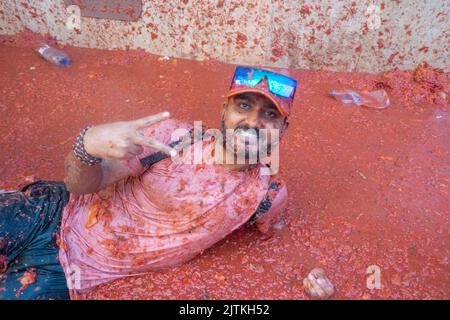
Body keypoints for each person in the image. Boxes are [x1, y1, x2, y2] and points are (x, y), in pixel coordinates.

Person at [0, 66, 297, 299]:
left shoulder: (266, 195)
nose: (254, 122)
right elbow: (81, 185)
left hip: (76, 271)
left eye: (270, 115)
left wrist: (307, 276)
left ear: (283, 129)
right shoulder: (173, 137)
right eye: (243, 106)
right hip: (51, 211)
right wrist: (86, 147)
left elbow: (273, 239)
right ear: (224, 110)